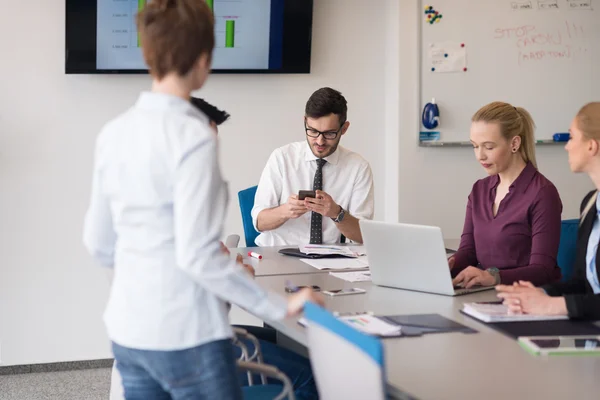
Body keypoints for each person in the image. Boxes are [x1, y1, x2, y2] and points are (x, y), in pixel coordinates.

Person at [83, 1, 322, 399]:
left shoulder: (114, 132)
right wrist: (281, 308)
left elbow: (97, 242)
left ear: (147, 52)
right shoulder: (193, 137)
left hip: (129, 333)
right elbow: (199, 257)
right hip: (188, 338)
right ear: (204, 59)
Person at [497, 103, 600, 320]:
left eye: (572, 137)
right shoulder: (591, 203)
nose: (566, 146)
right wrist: (540, 294)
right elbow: (584, 285)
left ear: (591, 146)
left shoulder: (542, 191)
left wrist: (552, 305)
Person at [450, 101, 563, 289]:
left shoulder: (542, 193)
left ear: (514, 143)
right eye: (475, 146)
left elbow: (542, 270)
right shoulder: (479, 190)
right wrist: (449, 264)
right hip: (486, 294)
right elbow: (468, 252)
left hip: (528, 299)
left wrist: (493, 277)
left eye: (489, 147)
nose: (480, 156)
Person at [252, 87, 374, 246]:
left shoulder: (358, 167)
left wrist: (337, 213)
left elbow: (364, 236)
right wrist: (286, 211)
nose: (320, 141)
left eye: (329, 133)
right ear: (305, 122)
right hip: (278, 253)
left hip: (329, 258)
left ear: (344, 129)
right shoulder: (282, 158)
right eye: (313, 131)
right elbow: (259, 223)